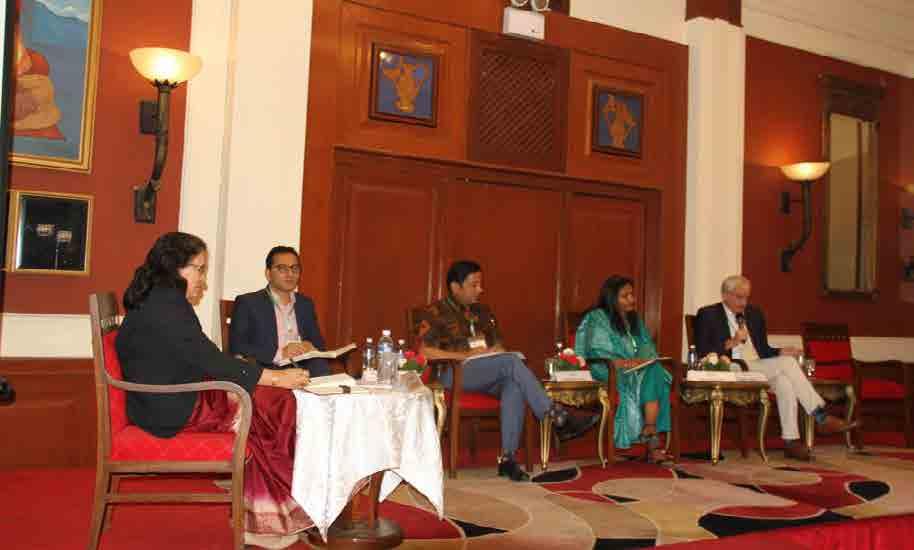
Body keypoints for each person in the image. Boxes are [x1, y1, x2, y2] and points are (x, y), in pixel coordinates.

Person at [115, 232, 313, 548]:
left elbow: (200, 355)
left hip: (167, 396)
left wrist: (254, 376)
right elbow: (208, 358)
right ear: (174, 267)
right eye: (199, 269)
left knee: (270, 402)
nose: (203, 280)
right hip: (168, 407)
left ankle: (269, 512)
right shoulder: (166, 306)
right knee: (273, 405)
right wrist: (275, 378)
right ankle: (266, 522)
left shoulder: (161, 299)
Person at [414, 260, 598, 481]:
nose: (480, 289)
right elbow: (425, 351)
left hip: (488, 370)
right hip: (453, 373)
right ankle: (554, 415)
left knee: (514, 384)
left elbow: (499, 346)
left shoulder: (483, 312)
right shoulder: (435, 312)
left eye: (480, 284)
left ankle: (508, 459)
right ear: (455, 287)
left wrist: (494, 351)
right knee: (510, 363)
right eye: (474, 285)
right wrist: (466, 355)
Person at [694, 275, 858, 461]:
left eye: (746, 297)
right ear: (725, 295)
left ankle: (791, 441)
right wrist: (732, 342)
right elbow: (703, 351)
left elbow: (763, 350)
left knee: (784, 382)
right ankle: (820, 416)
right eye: (739, 297)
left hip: (757, 367)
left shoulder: (754, 314)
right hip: (731, 367)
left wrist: (781, 351)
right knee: (787, 364)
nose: (743, 302)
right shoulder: (708, 314)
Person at [574, 275, 673, 463]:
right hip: (609, 370)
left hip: (638, 369)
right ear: (611, 298)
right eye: (625, 296)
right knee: (654, 375)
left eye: (632, 295)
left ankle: (650, 429)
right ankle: (652, 441)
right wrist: (626, 363)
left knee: (654, 370)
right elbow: (597, 350)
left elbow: (648, 347)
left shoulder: (634, 319)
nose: (631, 299)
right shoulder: (598, 317)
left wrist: (642, 361)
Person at [229, 246, 331, 376]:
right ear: (268, 274)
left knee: (322, 368)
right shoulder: (248, 303)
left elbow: (319, 344)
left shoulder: (305, 304)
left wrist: (310, 347)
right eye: (282, 269)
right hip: (269, 369)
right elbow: (238, 346)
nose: (290, 274)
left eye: (294, 268)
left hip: (303, 367)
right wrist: (280, 353)